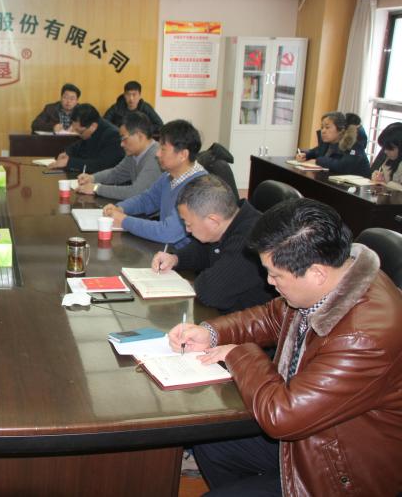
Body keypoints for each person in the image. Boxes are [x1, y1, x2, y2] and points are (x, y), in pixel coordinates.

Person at [170, 198, 402, 496]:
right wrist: (211, 333)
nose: (269, 281)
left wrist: (238, 354)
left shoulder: (362, 337)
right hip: (314, 433)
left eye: (276, 274)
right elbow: (272, 316)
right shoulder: (338, 279)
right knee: (212, 443)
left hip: (341, 469)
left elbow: (282, 416)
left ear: (316, 273)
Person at [150, 174, 274, 313]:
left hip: (248, 320)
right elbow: (204, 249)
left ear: (213, 221)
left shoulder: (250, 241)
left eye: (189, 224)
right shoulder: (231, 219)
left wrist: (183, 284)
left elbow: (211, 292)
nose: (187, 230)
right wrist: (175, 258)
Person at [103, 119, 207, 249]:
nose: (157, 154)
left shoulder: (199, 187)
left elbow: (167, 232)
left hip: (181, 256)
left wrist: (124, 221)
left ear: (183, 155)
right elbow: (147, 199)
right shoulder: (168, 176)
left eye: (163, 149)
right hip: (165, 249)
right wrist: (121, 208)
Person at [75, 111, 161, 200]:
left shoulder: (156, 157)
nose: (121, 144)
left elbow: (135, 192)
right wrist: (92, 178)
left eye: (124, 138)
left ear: (140, 136)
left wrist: (96, 188)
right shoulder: (133, 154)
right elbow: (116, 173)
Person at [47, 104, 124, 173]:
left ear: (93, 126)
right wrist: (67, 153)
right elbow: (80, 145)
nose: (78, 134)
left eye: (80, 132)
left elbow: (101, 165)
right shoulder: (91, 128)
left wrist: (69, 162)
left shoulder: (114, 136)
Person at [295, 111, 370, 176]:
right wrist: (306, 155)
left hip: (356, 186)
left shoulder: (352, 144)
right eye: (322, 127)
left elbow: (343, 166)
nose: (323, 131)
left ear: (340, 130)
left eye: (327, 127)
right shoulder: (327, 143)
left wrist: (318, 161)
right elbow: (316, 151)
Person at [370, 122, 402, 186]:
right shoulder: (389, 159)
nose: (385, 151)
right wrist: (380, 179)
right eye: (384, 148)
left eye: (390, 148)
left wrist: (389, 184)